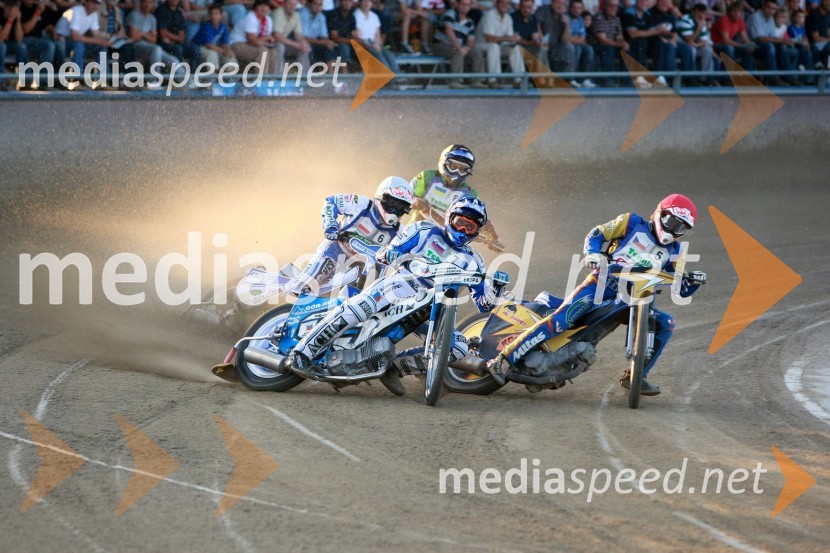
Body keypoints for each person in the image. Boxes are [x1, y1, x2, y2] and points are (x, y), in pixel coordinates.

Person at [488, 194, 707, 396]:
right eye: (672, 223)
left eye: (682, 228)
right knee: (561, 320)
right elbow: (597, 233)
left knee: (666, 323)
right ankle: (503, 359)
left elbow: (681, 289)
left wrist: (692, 281)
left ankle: (636, 377)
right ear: (660, 214)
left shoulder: (677, 252)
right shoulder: (631, 222)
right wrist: (592, 253)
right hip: (601, 284)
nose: (674, 230)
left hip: (639, 297)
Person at [288, 196, 509, 396]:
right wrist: (390, 253)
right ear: (449, 218)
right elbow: (388, 251)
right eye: (459, 222)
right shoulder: (424, 230)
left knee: (459, 346)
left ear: (476, 231)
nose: (463, 230)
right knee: (360, 307)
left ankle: (395, 367)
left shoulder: (475, 261)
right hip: (400, 285)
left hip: (432, 309)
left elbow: (483, 305)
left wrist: (497, 288)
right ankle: (302, 352)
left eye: (470, 227)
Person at [288, 177, 415, 293]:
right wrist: (330, 224)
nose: (395, 211)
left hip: (363, 269)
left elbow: (407, 256)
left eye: (400, 208)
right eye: (394, 204)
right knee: (304, 287)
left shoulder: (400, 232)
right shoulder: (362, 204)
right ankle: (283, 289)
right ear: (383, 197)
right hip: (335, 252)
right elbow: (332, 202)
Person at [408, 144, 502, 252]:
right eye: (453, 167)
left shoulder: (470, 194)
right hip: (414, 234)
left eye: (462, 169)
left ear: (468, 171)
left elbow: (478, 220)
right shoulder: (427, 177)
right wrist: (416, 202)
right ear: (444, 162)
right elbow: (403, 196)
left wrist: (493, 238)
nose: (457, 172)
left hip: (445, 246)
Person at [432, 0, 485, 88]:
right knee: (457, 51)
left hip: (457, 47)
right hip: (440, 44)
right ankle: (455, 81)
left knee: (477, 52)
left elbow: (471, 40)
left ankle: (477, 81)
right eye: (463, 4)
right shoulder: (450, 13)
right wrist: (459, 47)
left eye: (467, 5)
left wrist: (466, 48)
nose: (465, 6)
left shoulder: (470, 22)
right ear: (458, 4)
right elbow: (449, 30)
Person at [476, 0, 524, 88]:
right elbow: (489, 39)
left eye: (507, 3)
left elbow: (510, 39)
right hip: (480, 45)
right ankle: (493, 80)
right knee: (493, 47)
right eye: (502, 2)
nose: (504, 5)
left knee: (515, 48)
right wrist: (509, 38)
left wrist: (515, 39)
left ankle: (519, 80)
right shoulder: (489, 15)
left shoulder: (508, 18)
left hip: (497, 45)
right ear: (497, 4)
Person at [55, 0, 111, 73]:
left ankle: (104, 77)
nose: (95, 5)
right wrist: (97, 41)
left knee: (101, 47)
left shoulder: (94, 13)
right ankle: (77, 76)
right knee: (79, 45)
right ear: (86, 2)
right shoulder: (76, 11)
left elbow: (96, 33)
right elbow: (75, 36)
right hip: (60, 41)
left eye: (97, 3)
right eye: (93, 2)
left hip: (72, 42)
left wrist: (109, 38)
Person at [749, 0, 797, 84]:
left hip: (766, 45)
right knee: (770, 46)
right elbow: (760, 39)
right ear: (763, 6)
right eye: (768, 7)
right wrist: (781, 40)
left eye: (773, 9)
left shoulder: (771, 18)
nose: (771, 10)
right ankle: (773, 78)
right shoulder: (755, 16)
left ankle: (789, 77)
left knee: (782, 47)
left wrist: (784, 41)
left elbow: (772, 37)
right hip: (752, 46)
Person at [127, 0, 181, 74]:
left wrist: (142, 34)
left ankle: (188, 80)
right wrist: (147, 35)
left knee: (173, 60)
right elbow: (134, 37)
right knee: (157, 49)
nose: (147, 5)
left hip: (149, 46)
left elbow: (154, 40)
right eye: (145, 2)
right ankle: (155, 81)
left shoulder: (152, 18)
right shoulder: (134, 15)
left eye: (150, 3)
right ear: (140, 3)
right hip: (136, 46)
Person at [228, 0, 278, 75]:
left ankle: (271, 80)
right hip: (236, 44)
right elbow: (252, 40)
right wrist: (266, 39)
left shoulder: (268, 19)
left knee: (273, 51)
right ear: (255, 8)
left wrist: (269, 40)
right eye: (261, 5)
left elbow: (268, 39)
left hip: (250, 45)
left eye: (266, 6)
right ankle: (261, 81)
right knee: (263, 51)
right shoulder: (251, 17)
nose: (264, 8)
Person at [353, 0, 399, 72]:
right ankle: (387, 79)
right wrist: (371, 45)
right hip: (363, 45)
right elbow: (357, 36)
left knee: (390, 55)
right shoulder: (355, 15)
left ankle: (398, 79)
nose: (367, 3)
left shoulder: (374, 16)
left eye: (369, 1)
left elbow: (378, 35)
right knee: (381, 59)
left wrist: (378, 44)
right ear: (360, 3)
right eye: (364, 1)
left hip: (375, 44)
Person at [190, 3, 236, 73]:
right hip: (199, 47)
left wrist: (228, 50)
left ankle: (232, 78)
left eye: (216, 14)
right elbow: (208, 45)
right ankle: (212, 78)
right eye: (211, 14)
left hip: (214, 48)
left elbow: (225, 43)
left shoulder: (223, 26)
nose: (213, 16)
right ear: (209, 15)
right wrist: (224, 51)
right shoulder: (207, 26)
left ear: (221, 15)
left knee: (230, 55)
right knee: (212, 54)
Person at [591, 0, 628, 86]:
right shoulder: (598, 17)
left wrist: (624, 43)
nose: (613, 8)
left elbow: (619, 37)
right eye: (610, 5)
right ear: (605, 6)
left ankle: (626, 81)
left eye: (615, 6)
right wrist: (619, 44)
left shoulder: (617, 19)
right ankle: (608, 80)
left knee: (627, 49)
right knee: (608, 49)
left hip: (612, 45)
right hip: (599, 46)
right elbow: (603, 40)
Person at [678, 3, 716, 85]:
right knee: (692, 49)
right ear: (696, 11)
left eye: (704, 13)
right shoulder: (685, 19)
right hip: (683, 47)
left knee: (707, 50)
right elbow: (689, 39)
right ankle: (691, 78)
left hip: (695, 45)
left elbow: (704, 41)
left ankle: (705, 78)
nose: (703, 16)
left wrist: (696, 45)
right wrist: (698, 28)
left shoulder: (702, 21)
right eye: (702, 13)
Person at [712, 2, 755, 70]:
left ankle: (747, 76)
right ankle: (726, 76)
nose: (737, 14)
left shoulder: (740, 21)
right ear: (729, 12)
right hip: (715, 45)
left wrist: (750, 44)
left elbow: (744, 38)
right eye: (735, 11)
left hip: (729, 44)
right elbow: (726, 41)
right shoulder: (724, 19)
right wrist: (741, 45)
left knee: (749, 50)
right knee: (730, 48)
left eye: (739, 12)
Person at [273, 0, 311, 73]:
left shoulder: (296, 15)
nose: (292, 6)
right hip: (271, 44)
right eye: (289, 4)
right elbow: (277, 36)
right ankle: (279, 76)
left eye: (294, 4)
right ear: (284, 4)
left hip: (284, 43)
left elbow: (299, 35)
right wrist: (297, 45)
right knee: (280, 46)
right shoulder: (278, 12)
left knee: (304, 48)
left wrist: (303, 44)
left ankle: (305, 78)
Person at [566, 0, 596, 87]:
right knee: (577, 49)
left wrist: (574, 38)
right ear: (570, 8)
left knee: (589, 49)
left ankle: (584, 79)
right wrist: (576, 38)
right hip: (565, 45)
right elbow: (567, 38)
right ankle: (572, 78)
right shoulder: (566, 17)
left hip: (576, 43)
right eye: (574, 7)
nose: (576, 10)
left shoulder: (580, 19)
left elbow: (582, 38)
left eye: (579, 8)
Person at [301, 0, 338, 68]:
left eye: (320, 4)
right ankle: (314, 76)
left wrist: (327, 42)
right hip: (302, 43)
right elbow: (303, 37)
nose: (318, 7)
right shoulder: (303, 14)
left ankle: (331, 76)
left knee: (330, 49)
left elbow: (324, 36)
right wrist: (322, 42)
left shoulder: (321, 16)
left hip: (315, 43)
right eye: (315, 4)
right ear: (309, 4)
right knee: (309, 49)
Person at [788, 9, 814, 76]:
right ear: (794, 18)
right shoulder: (791, 27)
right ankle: (801, 64)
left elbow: (805, 37)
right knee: (803, 48)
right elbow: (789, 39)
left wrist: (807, 44)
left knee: (812, 48)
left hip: (802, 45)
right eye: (798, 17)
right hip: (795, 45)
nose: (800, 19)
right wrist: (799, 42)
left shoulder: (803, 28)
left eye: (802, 17)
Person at [806, 0, 830, 68]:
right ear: (821, 1)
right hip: (814, 45)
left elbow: (828, 32)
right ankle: (826, 70)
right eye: (826, 1)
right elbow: (816, 39)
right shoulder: (814, 14)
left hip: (824, 43)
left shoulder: (827, 14)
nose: (829, 3)